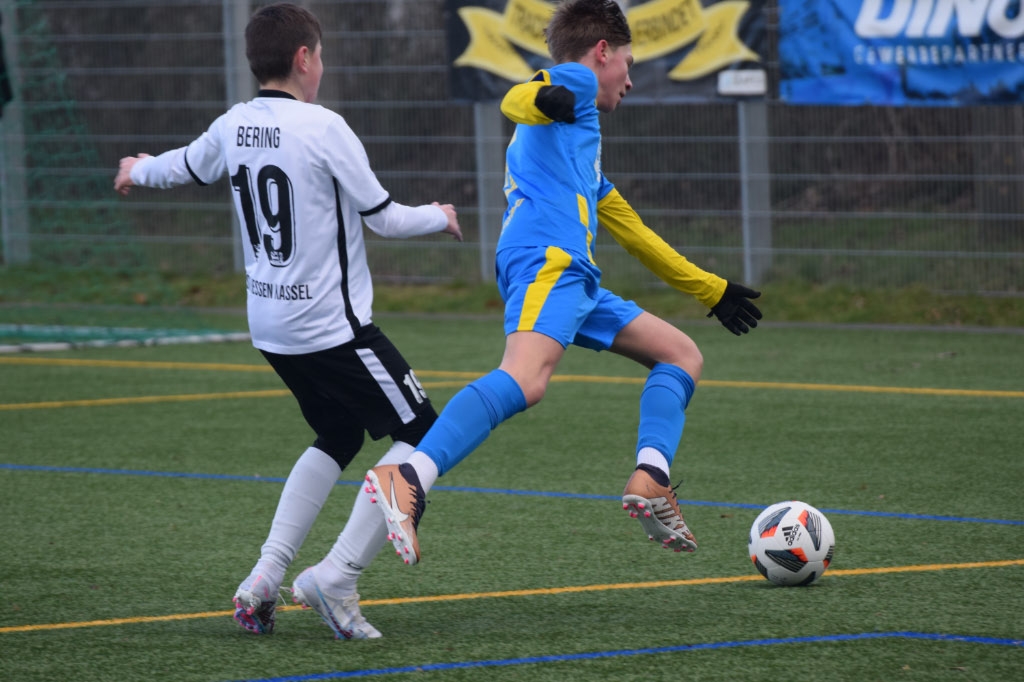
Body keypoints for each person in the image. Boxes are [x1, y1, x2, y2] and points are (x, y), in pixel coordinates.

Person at [362, 0, 761, 567]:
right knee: (525, 379)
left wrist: (710, 289)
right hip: (549, 261)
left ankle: (651, 475)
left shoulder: (581, 149)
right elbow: (517, 97)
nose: (630, 79)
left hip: (572, 272)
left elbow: (635, 233)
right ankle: (409, 476)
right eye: (627, 63)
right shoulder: (575, 84)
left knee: (680, 354)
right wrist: (542, 98)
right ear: (602, 52)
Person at [113, 3, 462, 640]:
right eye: (320, 55)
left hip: (272, 328)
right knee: (425, 435)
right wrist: (440, 215)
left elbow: (182, 165)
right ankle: (338, 578)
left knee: (339, 433)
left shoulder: (235, 123)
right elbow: (385, 219)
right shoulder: (325, 127)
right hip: (332, 328)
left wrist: (137, 169)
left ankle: (264, 578)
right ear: (303, 58)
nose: (321, 66)